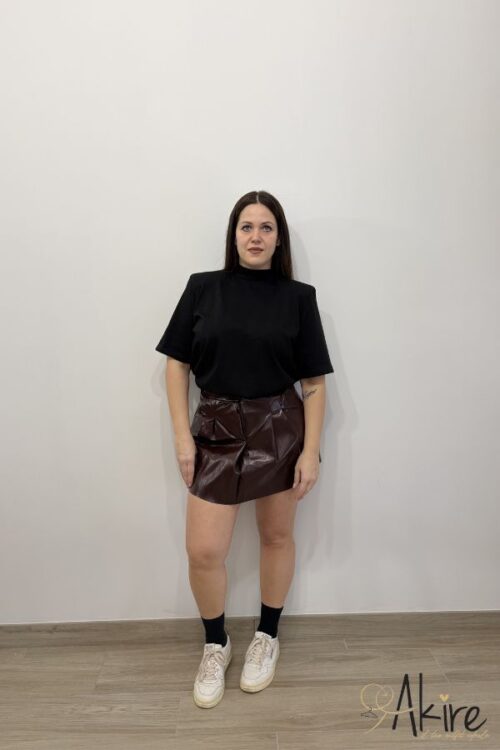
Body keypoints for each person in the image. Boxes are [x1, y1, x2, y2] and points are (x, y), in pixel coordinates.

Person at [155, 190, 334, 709]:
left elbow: (314, 384)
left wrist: (310, 451)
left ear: (279, 239)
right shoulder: (202, 288)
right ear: (233, 236)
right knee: (204, 551)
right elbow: (176, 364)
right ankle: (216, 644)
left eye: (266, 227)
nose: (256, 237)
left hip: (280, 429)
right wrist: (182, 436)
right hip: (215, 428)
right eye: (246, 227)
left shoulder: (298, 298)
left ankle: (267, 635)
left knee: (276, 537)